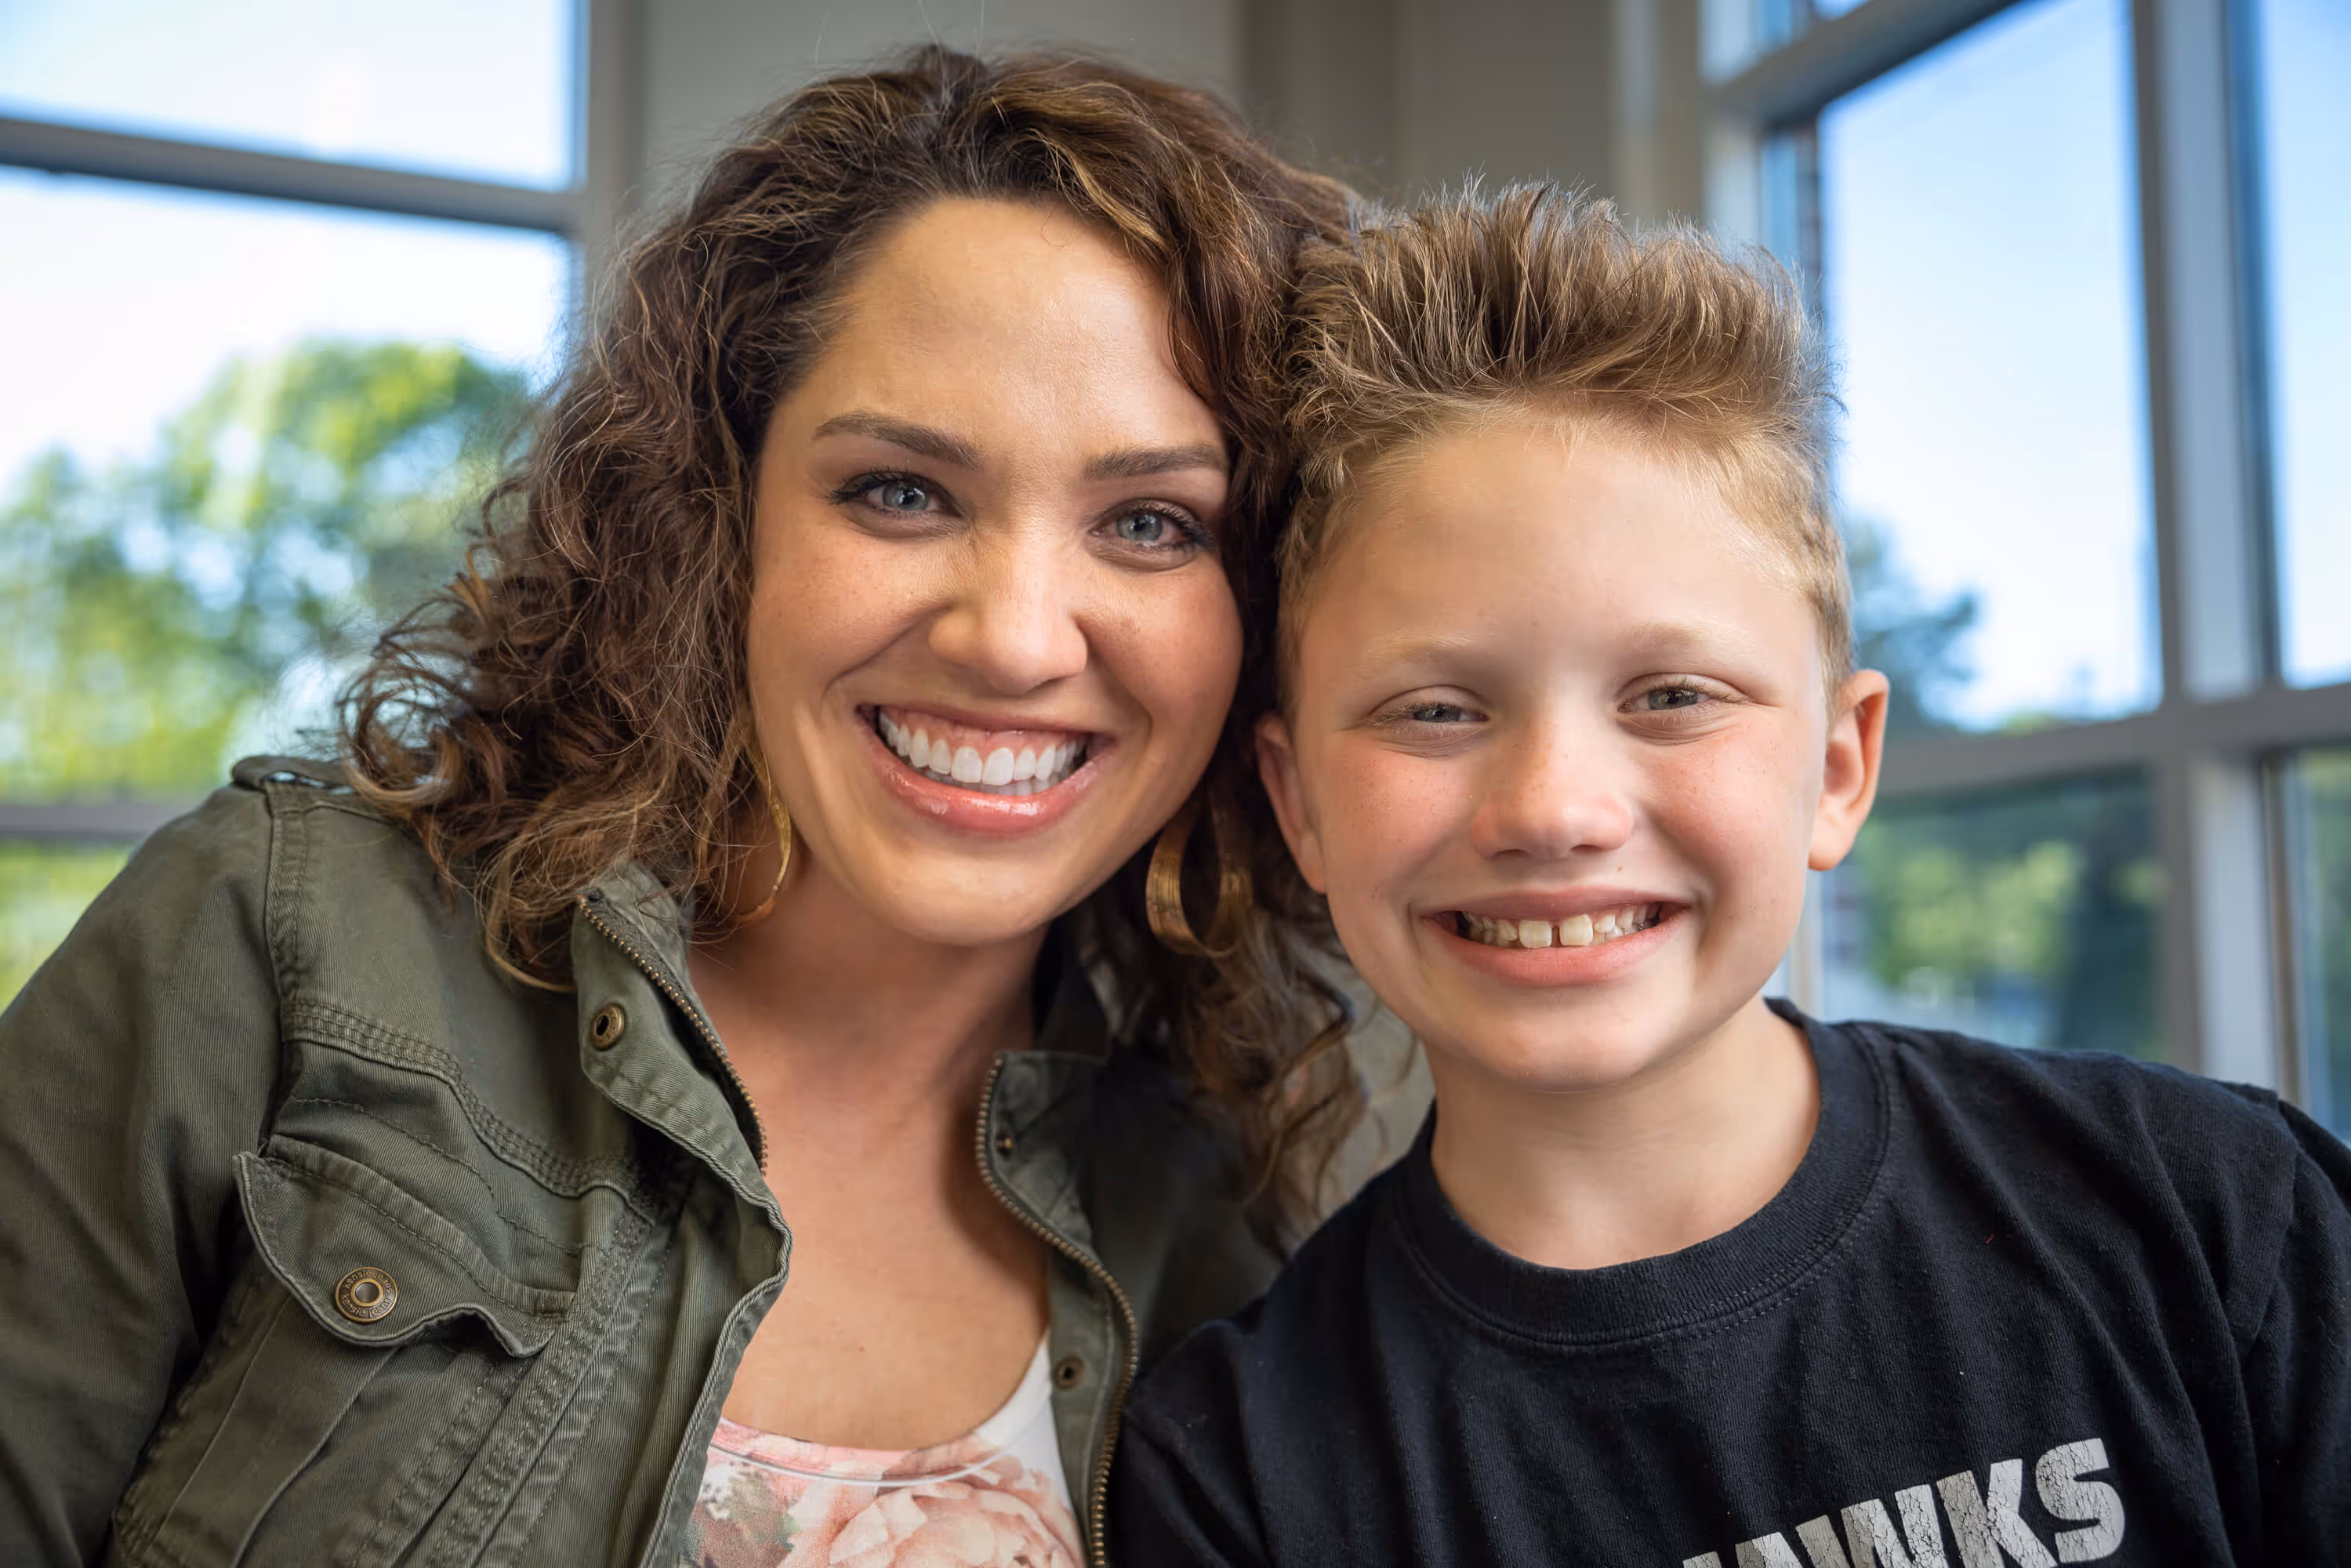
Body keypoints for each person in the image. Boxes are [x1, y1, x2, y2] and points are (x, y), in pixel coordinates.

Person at [0, 48, 1361, 1568]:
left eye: (1150, 523)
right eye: (901, 491)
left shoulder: (1207, 1235)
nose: (1015, 635)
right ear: (724, 515)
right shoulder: (272, 952)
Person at [1111, 185, 2351, 1566]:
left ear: (1835, 765)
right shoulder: (1236, 1479)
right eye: (1436, 711)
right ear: (1298, 804)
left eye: (1672, 695)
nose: (1554, 810)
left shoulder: (2207, 1215)